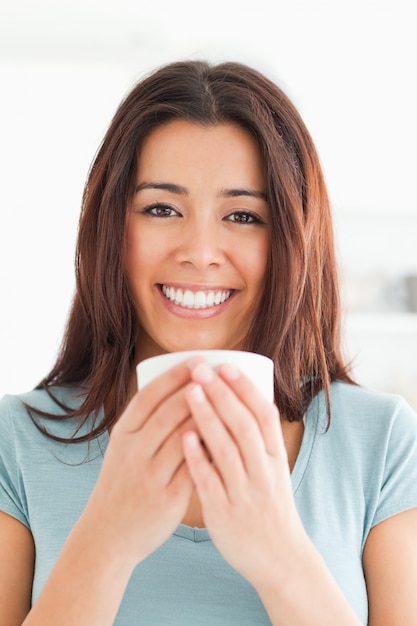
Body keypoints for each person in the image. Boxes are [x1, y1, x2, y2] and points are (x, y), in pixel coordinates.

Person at [1, 60, 417, 626]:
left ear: (294, 240)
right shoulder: (16, 442)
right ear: (110, 230)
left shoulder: (382, 443)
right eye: (162, 209)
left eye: (243, 215)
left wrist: (277, 553)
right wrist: (106, 539)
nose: (200, 251)